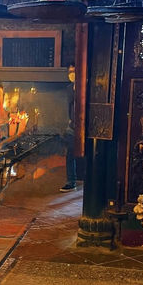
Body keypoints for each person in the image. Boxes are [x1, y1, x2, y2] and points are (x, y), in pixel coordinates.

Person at [60, 64, 77, 192]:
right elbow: (70, 104)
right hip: (72, 126)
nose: (71, 74)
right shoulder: (70, 88)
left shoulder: (86, 87)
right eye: (69, 71)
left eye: (74, 71)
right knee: (70, 153)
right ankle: (71, 181)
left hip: (84, 125)